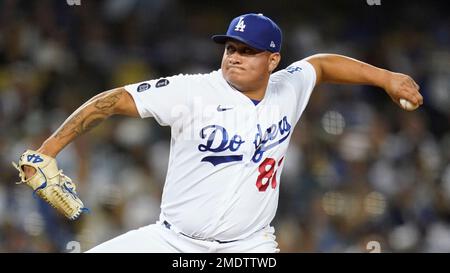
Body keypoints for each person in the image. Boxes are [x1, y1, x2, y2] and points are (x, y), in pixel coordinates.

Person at [17, 13, 422, 252]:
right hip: (172, 242)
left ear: (274, 60)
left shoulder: (289, 88)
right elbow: (111, 99)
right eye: (231, 48)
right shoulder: (192, 90)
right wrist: (49, 149)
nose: (235, 57)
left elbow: (322, 64)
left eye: (248, 51)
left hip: (249, 248)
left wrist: (385, 77)